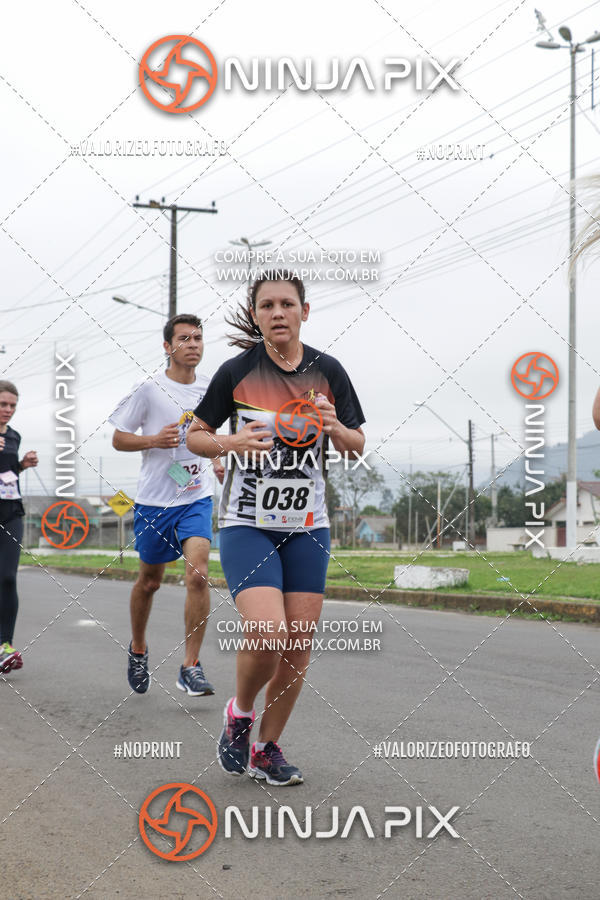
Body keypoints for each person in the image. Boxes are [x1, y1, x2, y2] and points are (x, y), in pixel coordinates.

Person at [186, 270, 365, 785]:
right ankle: (240, 715)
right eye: (268, 305)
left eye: (288, 304)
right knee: (267, 631)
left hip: (308, 525)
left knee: (298, 643)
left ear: (304, 312)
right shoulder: (236, 372)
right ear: (257, 315)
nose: (278, 312)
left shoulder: (328, 370)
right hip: (248, 524)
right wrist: (231, 444)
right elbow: (195, 437)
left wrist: (335, 428)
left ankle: (268, 748)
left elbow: (357, 444)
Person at [109, 314, 223, 696]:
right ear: (167, 346)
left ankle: (190, 665)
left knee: (198, 573)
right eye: (185, 338)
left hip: (195, 496)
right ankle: (138, 648)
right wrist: (153, 441)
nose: (193, 344)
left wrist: (219, 458)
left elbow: (212, 433)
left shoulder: (211, 388)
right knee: (150, 581)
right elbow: (119, 439)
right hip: (155, 502)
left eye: (199, 338)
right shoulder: (147, 389)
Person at [0, 381, 38, 673]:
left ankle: (4, 646)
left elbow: (7, 473)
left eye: (12, 405)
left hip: (11, 512)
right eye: (3, 404)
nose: (8, 410)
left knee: (8, 578)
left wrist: (22, 464)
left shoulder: (14, 436)